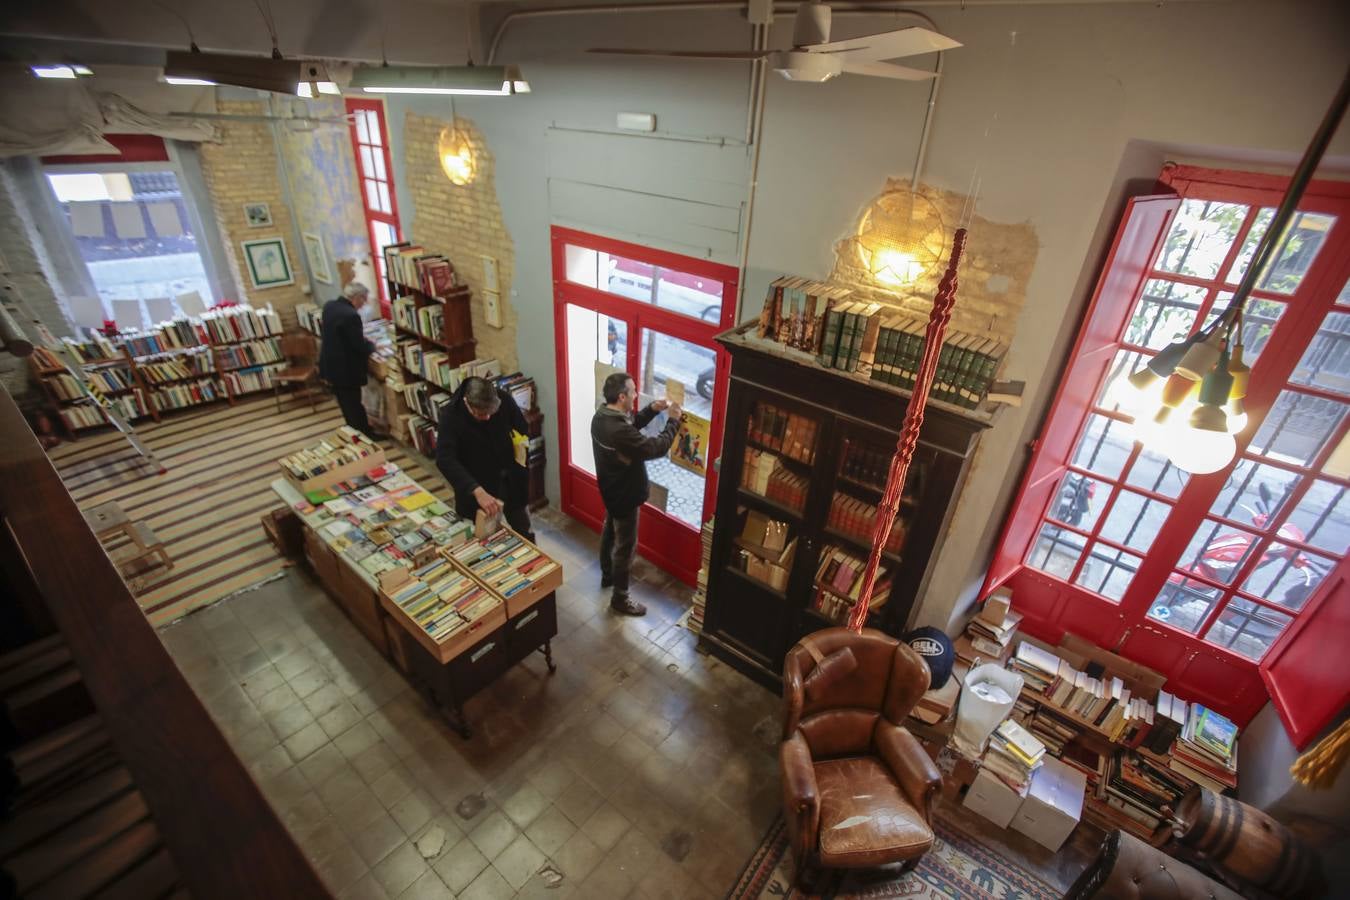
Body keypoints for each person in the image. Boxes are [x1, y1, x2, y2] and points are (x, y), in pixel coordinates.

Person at [591, 372, 682, 616]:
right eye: (633, 391)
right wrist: (673, 421)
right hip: (625, 495)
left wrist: (652, 409)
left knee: (610, 530)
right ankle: (620, 598)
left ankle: (607, 575)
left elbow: (630, 426)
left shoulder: (602, 417)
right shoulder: (618, 430)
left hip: (611, 491)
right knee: (625, 547)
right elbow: (655, 448)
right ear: (622, 396)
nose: (636, 394)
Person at [435, 376, 534, 540]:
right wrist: (477, 490)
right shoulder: (451, 416)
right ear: (467, 402)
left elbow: (522, 428)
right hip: (477, 488)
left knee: (523, 529)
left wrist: (520, 457)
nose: (487, 417)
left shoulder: (503, 399)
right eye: (481, 414)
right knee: (481, 539)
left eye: (491, 412)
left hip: (512, 481)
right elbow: (445, 459)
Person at [318, 282, 377, 438]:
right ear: (356, 298)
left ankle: (353, 430)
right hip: (346, 369)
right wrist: (372, 346)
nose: (363, 304)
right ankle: (364, 434)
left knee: (345, 403)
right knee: (354, 404)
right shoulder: (351, 315)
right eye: (363, 300)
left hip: (330, 365)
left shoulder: (329, 306)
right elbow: (357, 344)